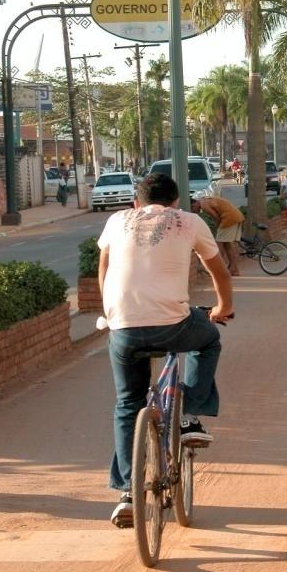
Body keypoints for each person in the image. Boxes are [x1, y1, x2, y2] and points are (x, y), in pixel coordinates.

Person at [98, 172, 234, 528]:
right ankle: (189, 415)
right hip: (174, 324)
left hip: (123, 328)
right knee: (208, 340)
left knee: (129, 403)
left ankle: (128, 493)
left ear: (136, 203)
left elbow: (105, 268)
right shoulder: (188, 221)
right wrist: (222, 308)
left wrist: (109, 311)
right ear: (176, 202)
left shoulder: (116, 220)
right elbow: (219, 271)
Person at [191, 194, 245, 276]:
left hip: (229, 219)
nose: (194, 211)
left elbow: (215, 217)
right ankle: (234, 269)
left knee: (219, 245)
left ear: (194, 204)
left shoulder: (203, 205)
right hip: (235, 216)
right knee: (227, 245)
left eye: (192, 209)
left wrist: (217, 227)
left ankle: (219, 270)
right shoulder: (205, 200)